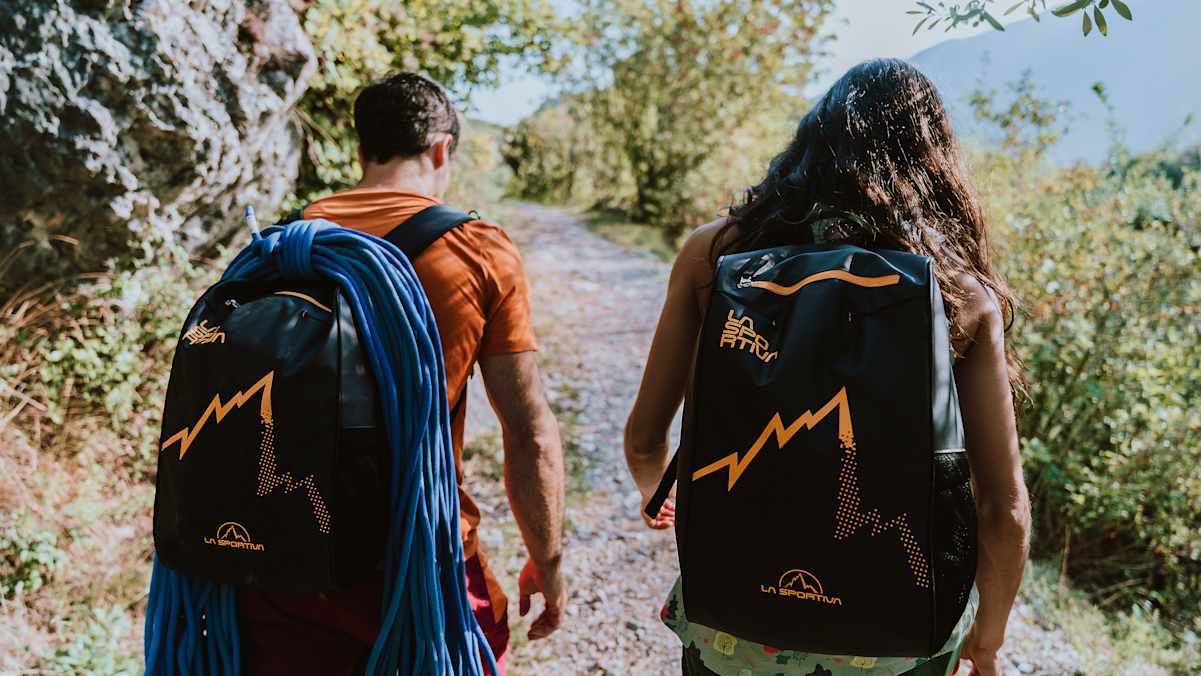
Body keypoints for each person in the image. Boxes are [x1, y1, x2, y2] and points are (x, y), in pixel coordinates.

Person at [624, 58, 1031, 676]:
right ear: (934, 162)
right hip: (899, 639)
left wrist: (665, 497)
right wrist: (987, 642)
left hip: (733, 621)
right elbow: (1003, 511)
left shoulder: (715, 255)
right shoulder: (956, 292)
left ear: (811, 142)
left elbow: (644, 439)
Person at [237, 72, 567, 675]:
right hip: (416, 554)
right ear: (443, 149)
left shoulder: (283, 243)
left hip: (283, 547)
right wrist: (546, 560)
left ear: (361, 151)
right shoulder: (478, 249)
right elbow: (529, 432)